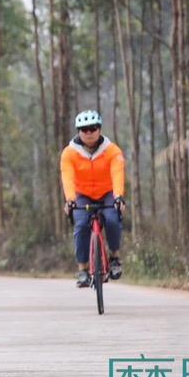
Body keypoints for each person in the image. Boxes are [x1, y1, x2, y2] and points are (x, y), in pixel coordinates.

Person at [60, 110, 126, 287]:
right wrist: (70, 199)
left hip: (107, 193)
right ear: (78, 131)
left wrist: (119, 196)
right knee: (81, 226)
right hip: (82, 195)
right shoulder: (69, 153)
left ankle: (114, 258)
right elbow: (67, 177)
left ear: (100, 129)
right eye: (84, 129)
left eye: (93, 128)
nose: (89, 133)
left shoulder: (112, 151)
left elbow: (117, 173)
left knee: (112, 220)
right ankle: (83, 269)